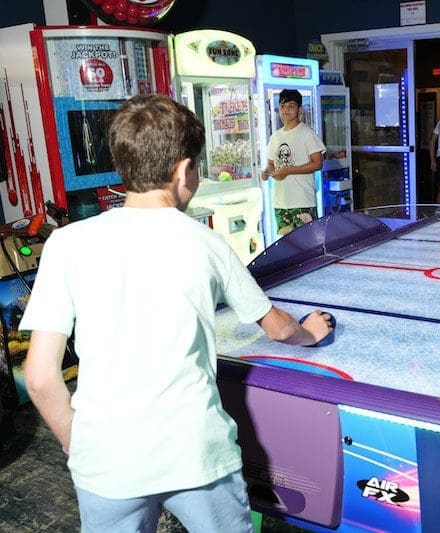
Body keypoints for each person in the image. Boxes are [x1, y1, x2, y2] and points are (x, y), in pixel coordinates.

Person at [20, 94, 333, 533]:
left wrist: (83, 447)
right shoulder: (206, 244)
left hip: (107, 460)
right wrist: (310, 332)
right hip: (196, 455)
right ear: (184, 171)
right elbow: (278, 329)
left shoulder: (65, 244)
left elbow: (39, 376)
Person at [260, 89, 326, 235]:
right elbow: (271, 164)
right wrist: (266, 173)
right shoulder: (275, 137)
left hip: (303, 201)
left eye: (291, 106)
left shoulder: (306, 133)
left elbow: (317, 163)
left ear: (300, 109)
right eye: (283, 106)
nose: (286, 110)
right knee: (286, 246)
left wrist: (288, 170)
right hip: (281, 202)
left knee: (306, 243)